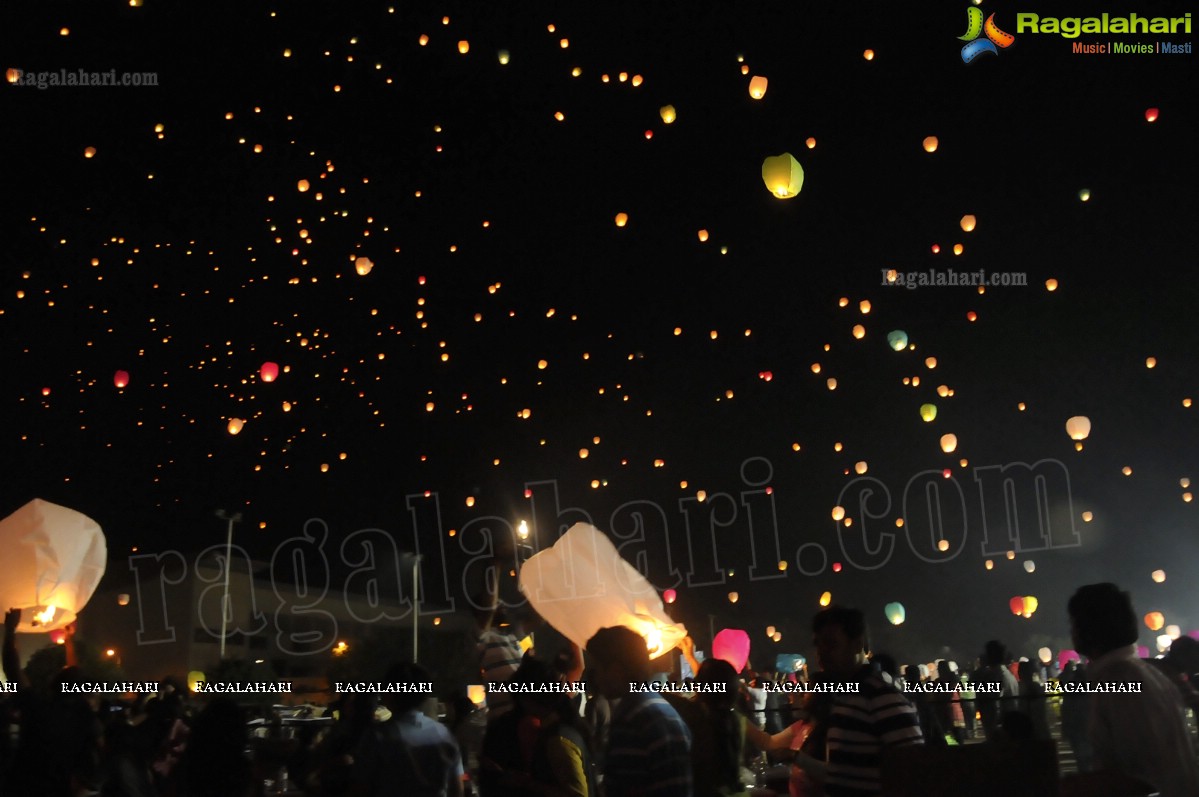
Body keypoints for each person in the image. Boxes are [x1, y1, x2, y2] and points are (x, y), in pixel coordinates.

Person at [1060, 583, 1199, 797]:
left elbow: (1140, 776)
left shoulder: (1120, 680)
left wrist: (1079, 785)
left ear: (1090, 626)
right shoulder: (1144, 673)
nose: (1072, 632)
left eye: (1074, 623)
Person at [792, 606, 923, 796]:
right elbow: (842, 774)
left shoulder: (882, 698)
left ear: (857, 644)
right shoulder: (847, 697)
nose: (820, 653)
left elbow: (916, 770)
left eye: (830, 644)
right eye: (818, 645)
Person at [586, 626, 692, 797]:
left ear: (615, 670)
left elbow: (623, 789)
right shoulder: (665, 708)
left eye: (597, 668)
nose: (595, 677)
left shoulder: (630, 718)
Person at [675, 658, 794, 797]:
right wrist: (799, 728)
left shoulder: (686, 716)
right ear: (733, 690)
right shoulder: (736, 720)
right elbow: (768, 742)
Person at [352, 661, 464, 797]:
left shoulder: (377, 737)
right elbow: (457, 788)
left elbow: (361, 787)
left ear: (390, 694)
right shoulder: (444, 734)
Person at [972, 640, 1018, 741]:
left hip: (1001, 731)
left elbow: (994, 702)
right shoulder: (1008, 675)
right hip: (1009, 726)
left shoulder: (996, 676)